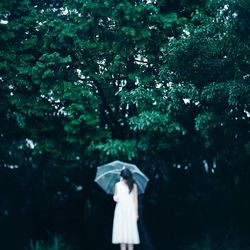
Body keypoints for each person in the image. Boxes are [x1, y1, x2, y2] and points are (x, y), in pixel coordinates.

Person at [112, 167, 140, 250]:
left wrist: (136, 214)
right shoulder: (118, 185)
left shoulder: (133, 186)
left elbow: (135, 200)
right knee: (122, 236)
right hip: (121, 211)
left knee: (129, 236)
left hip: (128, 211)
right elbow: (116, 197)